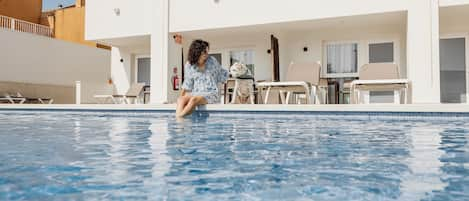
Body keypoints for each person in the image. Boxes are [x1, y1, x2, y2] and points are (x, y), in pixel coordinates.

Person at [176, 39, 228, 117]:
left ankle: (179, 119)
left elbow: (222, 74)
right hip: (196, 92)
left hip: (211, 93)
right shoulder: (189, 65)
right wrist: (181, 96)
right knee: (180, 100)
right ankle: (179, 121)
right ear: (197, 52)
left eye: (207, 51)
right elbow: (187, 82)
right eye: (204, 52)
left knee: (193, 100)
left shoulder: (212, 61)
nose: (207, 54)